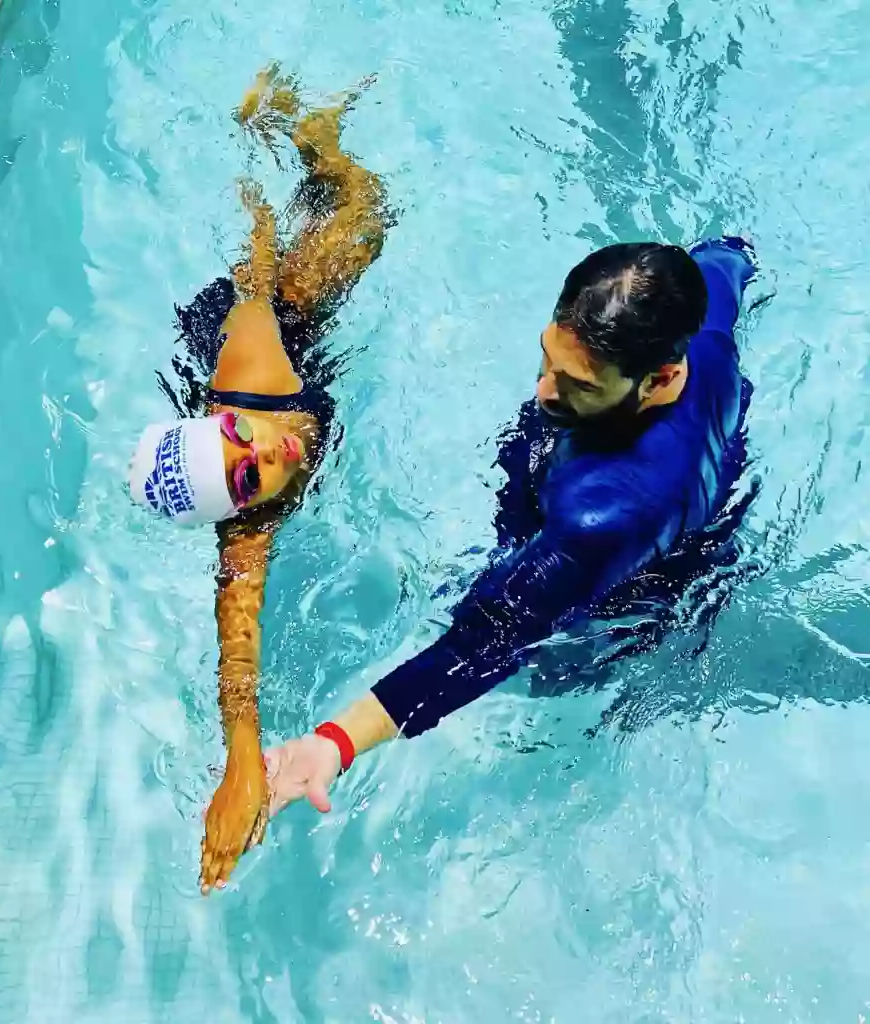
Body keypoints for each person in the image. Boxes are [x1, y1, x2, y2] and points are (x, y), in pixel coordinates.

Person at [264, 235, 758, 814]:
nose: (544, 389)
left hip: (633, 588)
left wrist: (335, 742)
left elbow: (486, 644)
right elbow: (725, 260)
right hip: (668, 478)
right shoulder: (707, 322)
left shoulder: (602, 516)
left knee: (541, 658)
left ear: (663, 379)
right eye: (549, 358)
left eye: (580, 384)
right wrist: (734, 249)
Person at [126, 66, 391, 893]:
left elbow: (254, 280)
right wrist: (242, 757)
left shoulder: (257, 385)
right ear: (245, 510)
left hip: (251, 332)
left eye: (239, 442)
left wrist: (258, 205)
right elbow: (235, 642)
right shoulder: (251, 524)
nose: (262, 456)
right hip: (232, 375)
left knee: (362, 220)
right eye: (246, 478)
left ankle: (315, 140)